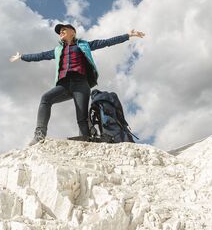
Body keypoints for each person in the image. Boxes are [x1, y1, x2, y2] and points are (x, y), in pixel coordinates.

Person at [9, 23, 145, 146]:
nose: (60, 32)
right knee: (46, 98)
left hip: (81, 84)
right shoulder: (57, 50)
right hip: (64, 85)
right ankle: (39, 135)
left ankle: (86, 141)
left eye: (63, 30)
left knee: (82, 118)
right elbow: (41, 55)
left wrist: (128, 35)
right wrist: (22, 57)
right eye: (59, 31)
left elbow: (106, 42)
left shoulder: (84, 45)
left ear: (72, 32)